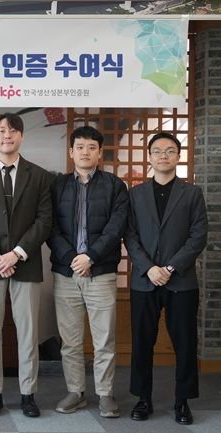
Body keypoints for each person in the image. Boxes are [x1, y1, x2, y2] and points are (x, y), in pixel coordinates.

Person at [0, 112, 53, 418]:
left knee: (27, 332)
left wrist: (16, 254)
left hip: (25, 263)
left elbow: (44, 220)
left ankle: (28, 393)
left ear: (22, 136)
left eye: (13, 130)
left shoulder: (39, 176)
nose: (7, 135)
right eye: (1, 130)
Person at [124, 132, 208, 425]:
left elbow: (198, 237)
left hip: (181, 282)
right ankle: (142, 399)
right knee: (141, 342)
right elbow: (130, 235)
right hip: (144, 280)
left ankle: (182, 401)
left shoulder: (192, 194)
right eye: (158, 151)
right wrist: (149, 268)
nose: (163, 155)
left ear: (178, 156)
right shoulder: (135, 194)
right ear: (150, 157)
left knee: (184, 342)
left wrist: (170, 268)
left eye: (170, 151)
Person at [47, 126, 128, 418]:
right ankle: (76, 391)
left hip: (100, 273)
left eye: (92, 147)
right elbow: (50, 227)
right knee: (70, 341)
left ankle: (105, 394)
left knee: (103, 339)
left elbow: (116, 226)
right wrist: (72, 258)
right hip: (66, 273)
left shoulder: (114, 186)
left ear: (100, 152)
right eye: (80, 147)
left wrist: (90, 256)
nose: (85, 152)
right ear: (71, 152)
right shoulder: (57, 186)